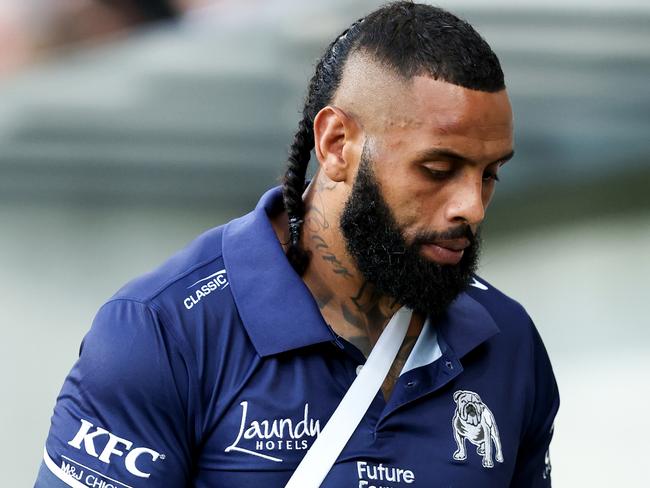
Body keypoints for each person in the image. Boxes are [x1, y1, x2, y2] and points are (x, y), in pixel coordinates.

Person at [35, 2, 559, 487]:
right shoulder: (164, 334)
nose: (472, 205)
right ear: (335, 145)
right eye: (438, 169)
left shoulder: (507, 341)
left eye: (491, 174)